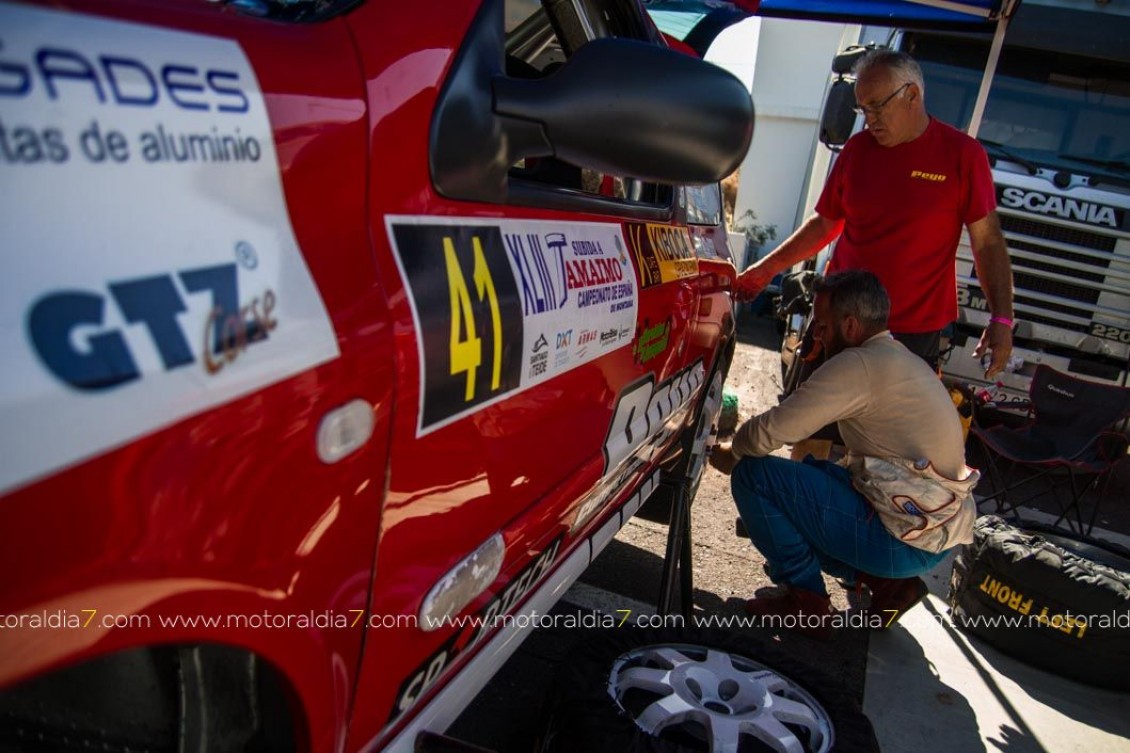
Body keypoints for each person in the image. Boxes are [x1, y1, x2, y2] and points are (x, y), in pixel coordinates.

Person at [710, 270, 976, 639]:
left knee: (756, 476)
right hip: (930, 538)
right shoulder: (900, 358)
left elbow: (769, 432)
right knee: (818, 474)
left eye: (821, 324)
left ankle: (806, 603)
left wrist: (732, 451)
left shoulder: (860, 365)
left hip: (903, 540)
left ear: (850, 325)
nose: (816, 334)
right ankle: (888, 585)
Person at [737, 49, 1014, 378]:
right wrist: (766, 269)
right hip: (839, 325)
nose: (869, 119)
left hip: (909, 335)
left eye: (877, 106)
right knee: (806, 424)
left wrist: (1001, 319)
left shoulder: (963, 156)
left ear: (912, 94)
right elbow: (826, 223)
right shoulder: (857, 150)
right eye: (862, 108)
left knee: (881, 430)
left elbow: (987, 242)